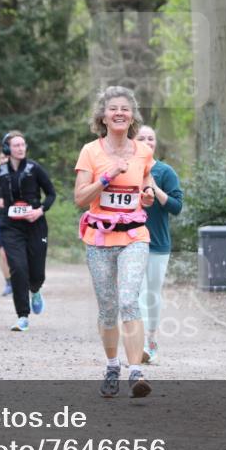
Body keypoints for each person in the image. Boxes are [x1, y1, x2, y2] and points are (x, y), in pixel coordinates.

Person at [74, 86, 157, 398]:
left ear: (132, 116)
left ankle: (136, 372)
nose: (119, 113)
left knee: (128, 300)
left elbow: (145, 186)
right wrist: (107, 177)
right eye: (113, 108)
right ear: (103, 116)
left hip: (135, 236)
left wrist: (147, 195)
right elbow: (80, 197)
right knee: (108, 308)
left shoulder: (143, 152)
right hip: (99, 238)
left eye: (125, 108)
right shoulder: (90, 152)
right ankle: (112, 365)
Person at [0, 131, 56, 331]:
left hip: (35, 225)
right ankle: (22, 316)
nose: (21, 148)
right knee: (18, 269)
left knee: (36, 272)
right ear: (7, 149)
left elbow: (51, 194)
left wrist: (40, 211)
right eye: (16, 145)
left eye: (23, 144)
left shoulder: (35, 169)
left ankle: (36, 289)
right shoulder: (1, 173)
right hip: (10, 227)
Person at [135, 125, 183, 365]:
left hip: (158, 242)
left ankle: (151, 340)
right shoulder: (127, 169)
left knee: (152, 293)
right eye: (141, 137)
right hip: (131, 241)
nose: (146, 141)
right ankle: (140, 344)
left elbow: (176, 207)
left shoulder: (166, 171)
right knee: (137, 293)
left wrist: (156, 189)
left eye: (150, 138)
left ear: (156, 143)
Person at [0, 152, 13, 297]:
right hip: (2, 220)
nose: (4, 160)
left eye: (6, 157)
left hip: (20, 221)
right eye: (1, 158)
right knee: (3, 253)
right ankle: (9, 283)